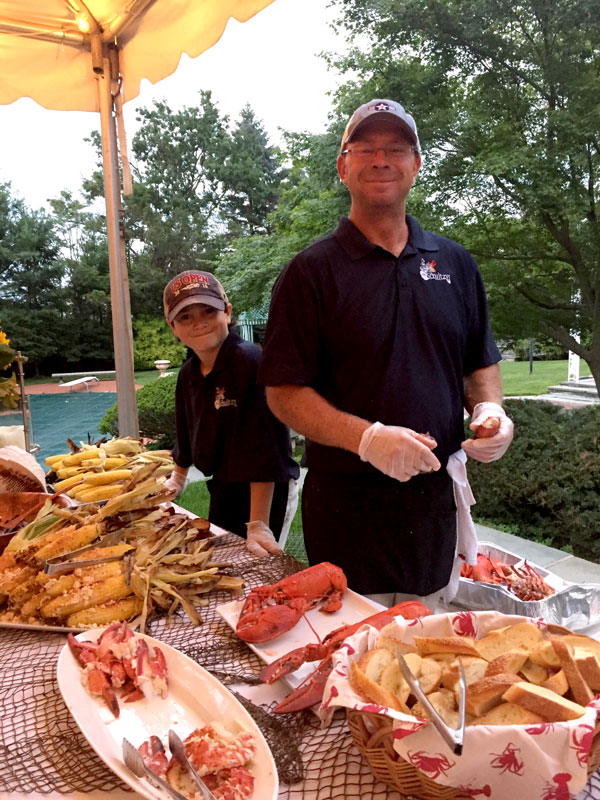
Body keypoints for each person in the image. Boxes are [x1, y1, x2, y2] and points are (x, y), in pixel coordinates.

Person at [257, 98, 514, 605]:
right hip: (348, 514)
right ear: (342, 165)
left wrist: (490, 409)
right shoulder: (310, 273)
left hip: (433, 511)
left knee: (428, 654)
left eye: (396, 148)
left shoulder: (454, 263)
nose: (381, 159)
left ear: (416, 166)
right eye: (366, 148)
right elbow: (283, 392)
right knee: (356, 661)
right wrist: (367, 438)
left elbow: (479, 361)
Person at [163, 270, 300, 557]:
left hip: (266, 489)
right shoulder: (189, 373)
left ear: (227, 311)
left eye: (208, 311)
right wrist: (177, 477)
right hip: (224, 485)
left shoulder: (249, 361)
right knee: (223, 562)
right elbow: (186, 429)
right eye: (185, 316)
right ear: (172, 326)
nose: (198, 323)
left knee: (260, 566)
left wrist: (259, 524)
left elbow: (266, 448)